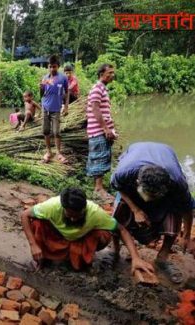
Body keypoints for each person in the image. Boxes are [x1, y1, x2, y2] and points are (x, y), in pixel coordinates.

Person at [111, 142, 193, 283]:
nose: (150, 201)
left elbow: (187, 208)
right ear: (137, 182)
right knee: (119, 214)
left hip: (165, 157)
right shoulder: (124, 173)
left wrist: (186, 235)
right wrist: (136, 210)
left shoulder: (177, 182)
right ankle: (115, 251)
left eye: (155, 196)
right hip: (136, 156)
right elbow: (118, 187)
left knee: (174, 213)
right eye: (148, 195)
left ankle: (162, 258)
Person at [21, 187, 154, 274]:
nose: (73, 220)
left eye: (77, 216)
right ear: (63, 208)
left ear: (84, 209)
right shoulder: (52, 206)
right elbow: (25, 215)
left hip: (79, 240)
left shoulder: (95, 212)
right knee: (38, 223)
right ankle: (43, 259)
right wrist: (33, 245)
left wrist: (136, 258)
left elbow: (122, 230)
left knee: (103, 234)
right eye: (69, 215)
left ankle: (80, 259)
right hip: (58, 236)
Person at [86, 63, 117, 202]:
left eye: (112, 72)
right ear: (101, 74)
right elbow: (95, 108)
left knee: (101, 157)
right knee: (100, 157)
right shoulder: (97, 88)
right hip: (98, 131)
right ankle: (99, 189)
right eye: (109, 72)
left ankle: (98, 188)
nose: (112, 75)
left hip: (99, 130)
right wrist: (105, 128)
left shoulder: (102, 89)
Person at [40, 55, 69, 164]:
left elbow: (67, 92)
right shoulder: (45, 78)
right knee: (46, 131)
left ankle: (58, 152)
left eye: (54, 66)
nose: (52, 69)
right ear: (48, 66)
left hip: (56, 109)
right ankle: (48, 151)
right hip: (45, 108)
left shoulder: (63, 78)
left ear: (58, 67)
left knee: (57, 132)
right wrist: (41, 87)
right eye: (50, 66)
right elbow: (42, 94)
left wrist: (66, 106)